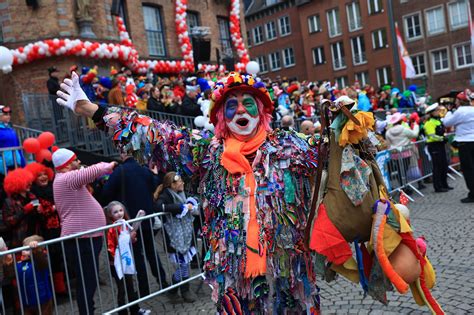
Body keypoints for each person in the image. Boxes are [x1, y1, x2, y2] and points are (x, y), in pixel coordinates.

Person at [55, 71, 443, 314]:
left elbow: (344, 166)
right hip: (234, 284)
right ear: (221, 117)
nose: (241, 110)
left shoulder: (293, 149)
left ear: (263, 112)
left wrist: (344, 125)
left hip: (292, 280)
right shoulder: (206, 154)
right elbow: (156, 136)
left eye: (249, 104)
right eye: (232, 106)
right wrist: (92, 108)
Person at [52, 148, 116, 314]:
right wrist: (109, 165)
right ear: (67, 164)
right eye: (75, 160)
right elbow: (93, 171)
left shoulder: (65, 179)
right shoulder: (66, 179)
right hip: (82, 238)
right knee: (87, 280)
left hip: (86, 236)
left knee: (89, 279)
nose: (79, 162)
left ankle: (88, 311)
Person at [101, 152, 168, 297]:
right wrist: (155, 175)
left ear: (123, 155)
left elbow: (105, 192)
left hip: (130, 221)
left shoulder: (119, 171)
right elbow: (154, 184)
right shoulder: (143, 170)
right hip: (147, 217)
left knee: (138, 255)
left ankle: (144, 290)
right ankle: (163, 281)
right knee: (151, 252)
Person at [155, 172, 199, 303]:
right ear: (172, 185)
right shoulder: (166, 195)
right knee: (183, 265)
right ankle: (183, 290)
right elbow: (158, 207)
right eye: (180, 181)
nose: (183, 183)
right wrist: (180, 207)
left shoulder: (182, 194)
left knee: (185, 263)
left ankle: (176, 289)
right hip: (174, 236)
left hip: (185, 234)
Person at [25, 162, 66, 295]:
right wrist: (53, 208)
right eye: (39, 175)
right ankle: (53, 290)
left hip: (59, 228)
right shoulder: (33, 194)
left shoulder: (54, 188)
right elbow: (39, 211)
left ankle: (61, 288)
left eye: (44, 174)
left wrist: (55, 208)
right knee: (49, 259)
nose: (43, 177)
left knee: (59, 258)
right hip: (45, 231)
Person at [104, 201, 151, 315]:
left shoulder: (124, 223)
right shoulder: (111, 228)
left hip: (126, 260)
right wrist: (129, 237)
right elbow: (114, 245)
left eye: (120, 210)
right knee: (121, 289)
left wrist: (132, 238)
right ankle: (122, 312)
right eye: (115, 212)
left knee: (130, 285)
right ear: (110, 215)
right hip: (116, 263)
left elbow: (129, 241)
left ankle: (135, 309)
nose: (119, 213)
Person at [3, 235, 53, 315]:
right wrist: (9, 261)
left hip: (43, 301)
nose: (22, 251)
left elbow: (42, 260)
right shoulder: (20, 264)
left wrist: (36, 251)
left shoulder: (40, 262)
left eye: (26, 249)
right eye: (22, 248)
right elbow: (11, 273)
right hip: (26, 303)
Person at [442, 91, 474, 203]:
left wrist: (449, 112)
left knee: (468, 169)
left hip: (464, 142)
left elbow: (447, 123)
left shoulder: (460, 111)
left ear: (459, 101)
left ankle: (473, 194)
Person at [2, 168, 39, 249]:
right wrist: (24, 210)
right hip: (20, 240)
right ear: (18, 183)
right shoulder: (9, 202)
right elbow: (8, 222)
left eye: (30, 181)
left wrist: (40, 210)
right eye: (26, 182)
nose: (30, 184)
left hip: (36, 236)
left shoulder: (33, 196)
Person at [423, 104, 451, 193]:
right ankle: (438, 187)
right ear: (431, 113)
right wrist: (442, 138)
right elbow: (432, 136)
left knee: (444, 165)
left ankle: (444, 184)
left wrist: (444, 137)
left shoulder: (438, 121)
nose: (438, 112)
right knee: (437, 166)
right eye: (436, 111)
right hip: (434, 145)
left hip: (440, 145)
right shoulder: (429, 123)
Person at [0, 106, 26, 176]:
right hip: (4, 166)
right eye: (5, 114)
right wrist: (2, 168)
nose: (8, 116)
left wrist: (23, 162)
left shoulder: (11, 129)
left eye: (9, 114)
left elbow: (17, 146)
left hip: (16, 162)